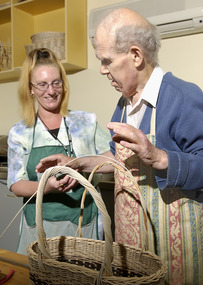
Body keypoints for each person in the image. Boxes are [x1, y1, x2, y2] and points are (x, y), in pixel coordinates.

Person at [36, 8, 203, 285]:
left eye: (107, 60)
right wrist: (75, 163)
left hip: (175, 252)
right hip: (133, 249)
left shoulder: (183, 97)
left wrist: (159, 157)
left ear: (136, 56)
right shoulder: (124, 104)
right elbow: (117, 158)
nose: (102, 69)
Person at [7, 48, 111, 255]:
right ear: (30, 89)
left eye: (56, 82)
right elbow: (16, 184)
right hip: (39, 228)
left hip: (83, 223)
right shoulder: (20, 132)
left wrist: (78, 164)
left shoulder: (85, 122)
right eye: (42, 84)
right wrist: (46, 186)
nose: (51, 91)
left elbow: (113, 162)